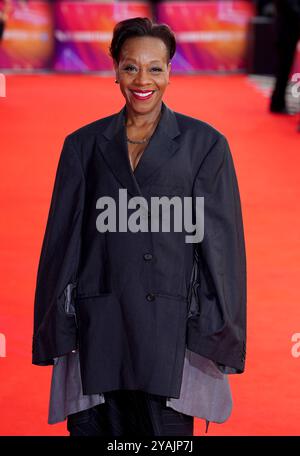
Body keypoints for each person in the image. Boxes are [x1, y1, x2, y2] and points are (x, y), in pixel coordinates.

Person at [32, 17, 247, 436]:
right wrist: (56, 330)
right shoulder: (82, 146)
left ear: (170, 71)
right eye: (131, 67)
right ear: (114, 69)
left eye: (155, 68)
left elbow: (221, 250)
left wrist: (215, 335)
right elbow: (61, 246)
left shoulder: (205, 145)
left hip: (169, 336)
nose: (142, 79)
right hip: (98, 330)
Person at [270, 0, 300, 113]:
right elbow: (292, 7)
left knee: (282, 70)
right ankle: (277, 103)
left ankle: (277, 103)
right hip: (286, 32)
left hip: (286, 31)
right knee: (283, 69)